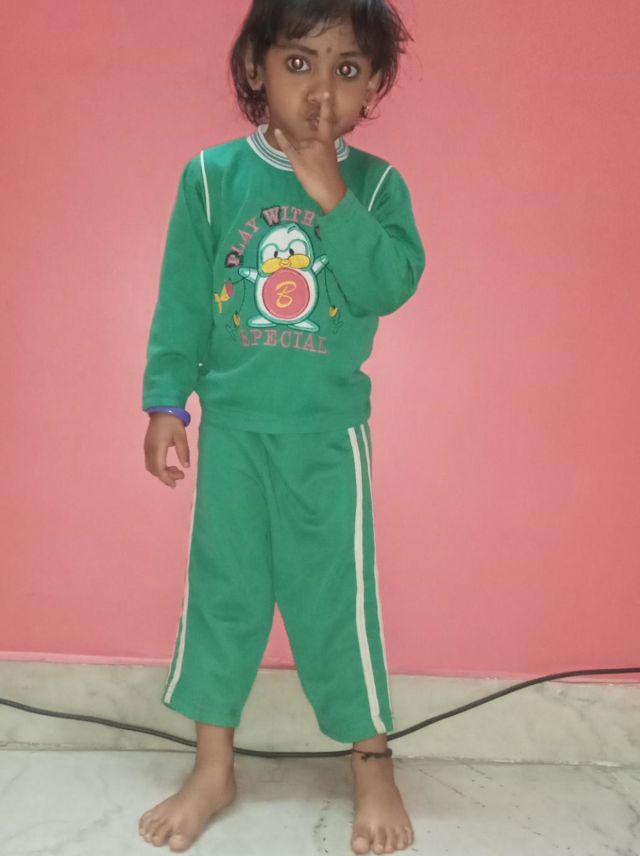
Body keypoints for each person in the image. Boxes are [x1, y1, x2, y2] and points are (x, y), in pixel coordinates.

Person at [138, 1, 426, 852]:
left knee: (335, 602)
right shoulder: (210, 178)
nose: (321, 89)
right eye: (299, 63)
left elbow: (388, 283)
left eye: (347, 68)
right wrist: (166, 403)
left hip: (325, 437)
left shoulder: (376, 187)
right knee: (222, 597)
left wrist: (330, 192)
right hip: (232, 432)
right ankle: (212, 766)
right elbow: (182, 303)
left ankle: (370, 763)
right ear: (255, 67)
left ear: (374, 84)